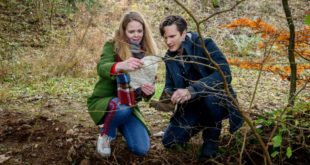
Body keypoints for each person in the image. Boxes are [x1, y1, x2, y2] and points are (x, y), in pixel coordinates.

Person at [159, 15, 243, 160]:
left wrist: (192, 90)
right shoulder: (169, 57)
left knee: (209, 97)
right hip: (192, 106)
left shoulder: (204, 44)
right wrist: (168, 97)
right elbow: (170, 84)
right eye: (165, 37)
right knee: (170, 141)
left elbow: (225, 74)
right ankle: (201, 122)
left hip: (216, 100)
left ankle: (212, 138)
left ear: (184, 33)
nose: (168, 41)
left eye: (172, 36)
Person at [87, 11, 158, 157]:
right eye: (131, 31)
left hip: (129, 104)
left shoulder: (147, 52)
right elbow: (101, 67)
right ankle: (106, 134)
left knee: (141, 149)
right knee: (122, 108)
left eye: (139, 30)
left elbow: (142, 90)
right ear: (124, 31)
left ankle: (117, 122)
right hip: (105, 101)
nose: (136, 35)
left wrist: (147, 92)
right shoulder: (113, 45)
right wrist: (120, 66)